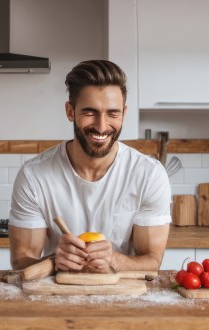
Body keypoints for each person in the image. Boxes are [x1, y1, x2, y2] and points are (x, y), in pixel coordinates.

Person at [9, 60, 171, 273]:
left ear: (123, 112)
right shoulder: (34, 176)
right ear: (70, 112)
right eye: (90, 112)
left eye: (113, 113)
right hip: (55, 298)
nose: (102, 126)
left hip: (124, 298)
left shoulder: (149, 175)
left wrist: (112, 259)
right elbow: (21, 263)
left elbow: (152, 262)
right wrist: (55, 260)